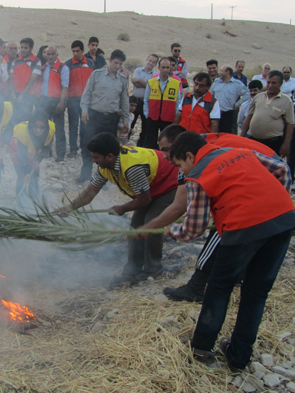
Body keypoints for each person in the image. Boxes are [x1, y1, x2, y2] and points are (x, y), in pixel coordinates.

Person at [167, 131, 295, 372]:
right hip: (283, 221)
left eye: (179, 165)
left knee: (219, 288)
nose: (181, 173)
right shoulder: (239, 152)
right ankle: (239, 356)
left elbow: (193, 229)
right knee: (256, 292)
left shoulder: (197, 176)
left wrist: (173, 230)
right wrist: (275, 199)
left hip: (243, 229)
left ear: (189, 155)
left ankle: (202, 347)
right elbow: (283, 169)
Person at [140, 124, 279, 302]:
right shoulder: (195, 150)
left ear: (181, 145)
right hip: (262, 175)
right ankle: (239, 273)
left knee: (225, 225)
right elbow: (182, 202)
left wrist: (155, 227)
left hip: (266, 165)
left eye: (167, 150)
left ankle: (196, 286)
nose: (164, 156)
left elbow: (181, 210)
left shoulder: (204, 156)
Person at [57, 132, 178, 287]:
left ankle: (153, 268)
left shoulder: (132, 168)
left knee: (151, 224)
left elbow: (144, 200)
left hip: (169, 184)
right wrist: (69, 208)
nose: (94, 161)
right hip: (150, 188)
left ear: (109, 156)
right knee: (135, 228)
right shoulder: (105, 167)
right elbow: (89, 193)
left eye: (96, 158)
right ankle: (132, 269)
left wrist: (122, 208)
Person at [77, 50, 130, 182]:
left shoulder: (122, 80)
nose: (117, 66)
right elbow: (87, 93)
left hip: (111, 118)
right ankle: (85, 175)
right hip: (94, 115)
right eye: (116, 62)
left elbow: (124, 102)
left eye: (120, 64)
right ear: (110, 60)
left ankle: (104, 178)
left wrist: (126, 121)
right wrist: (84, 110)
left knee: (108, 148)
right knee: (88, 145)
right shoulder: (97, 74)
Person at [241, 70, 294, 156]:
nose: (270, 85)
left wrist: (286, 144)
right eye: (268, 82)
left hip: (273, 143)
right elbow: (249, 117)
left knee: (270, 168)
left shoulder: (287, 101)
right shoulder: (258, 97)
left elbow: (290, 123)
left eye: (274, 83)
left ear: (280, 83)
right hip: (254, 141)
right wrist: (242, 137)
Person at [9, 110, 55, 200]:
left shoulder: (51, 129)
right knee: (22, 176)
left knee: (34, 175)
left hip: (33, 151)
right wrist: (26, 172)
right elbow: (21, 157)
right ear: (31, 125)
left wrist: (38, 160)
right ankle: (21, 200)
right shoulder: (22, 133)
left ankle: (34, 200)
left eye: (42, 127)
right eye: (35, 126)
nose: (38, 130)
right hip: (16, 150)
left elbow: (47, 147)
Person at [36, 45, 69, 161]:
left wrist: (61, 102)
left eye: (52, 54)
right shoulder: (44, 67)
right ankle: (46, 152)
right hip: (44, 101)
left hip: (56, 101)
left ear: (57, 55)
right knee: (45, 127)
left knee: (59, 128)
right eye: (48, 54)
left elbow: (65, 86)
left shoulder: (62, 68)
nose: (49, 56)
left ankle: (60, 154)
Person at [143, 57, 183, 149]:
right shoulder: (151, 82)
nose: (165, 70)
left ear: (170, 68)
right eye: (163, 67)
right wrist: (147, 114)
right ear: (159, 67)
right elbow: (146, 99)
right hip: (152, 117)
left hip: (168, 118)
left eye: (167, 67)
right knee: (150, 142)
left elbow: (178, 102)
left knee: (167, 143)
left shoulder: (176, 83)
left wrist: (176, 116)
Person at [65, 40, 94, 158]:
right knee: (73, 124)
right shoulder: (68, 64)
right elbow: (65, 83)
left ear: (83, 51)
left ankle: (85, 147)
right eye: (73, 51)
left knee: (85, 124)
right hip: (73, 99)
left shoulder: (91, 63)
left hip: (87, 99)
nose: (75, 53)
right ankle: (73, 149)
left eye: (77, 51)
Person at [9, 37, 41, 124]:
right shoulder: (16, 60)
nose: (23, 50)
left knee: (24, 120)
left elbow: (32, 80)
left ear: (31, 48)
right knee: (12, 119)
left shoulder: (37, 62)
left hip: (27, 96)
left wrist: (22, 95)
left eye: (25, 48)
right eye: (21, 47)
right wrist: (12, 92)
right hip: (14, 94)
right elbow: (11, 77)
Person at [209, 65, 250, 133]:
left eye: (221, 71)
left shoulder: (237, 84)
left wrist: (238, 104)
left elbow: (248, 94)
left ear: (227, 72)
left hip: (227, 114)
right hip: (215, 113)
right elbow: (210, 95)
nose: (219, 72)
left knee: (225, 134)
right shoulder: (216, 82)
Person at [131, 54, 158, 147]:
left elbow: (151, 87)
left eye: (153, 62)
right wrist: (147, 84)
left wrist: (139, 81)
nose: (151, 63)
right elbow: (135, 83)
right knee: (130, 123)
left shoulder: (155, 75)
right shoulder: (138, 70)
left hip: (146, 103)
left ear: (155, 64)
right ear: (146, 60)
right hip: (135, 101)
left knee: (145, 127)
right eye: (150, 60)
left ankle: (140, 146)